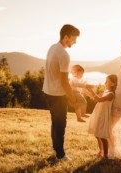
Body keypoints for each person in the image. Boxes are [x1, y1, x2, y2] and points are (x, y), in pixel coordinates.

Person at [42, 24, 80, 161]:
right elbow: (64, 82)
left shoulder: (53, 47)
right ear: (66, 37)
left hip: (48, 91)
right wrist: (73, 99)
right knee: (60, 125)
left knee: (55, 122)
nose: (75, 42)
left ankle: (55, 150)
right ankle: (60, 154)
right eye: (74, 39)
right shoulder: (64, 55)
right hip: (57, 95)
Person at [87, 74, 118, 158]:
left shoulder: (111, 94)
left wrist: (91, 91)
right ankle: (101, 151)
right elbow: (96, 98)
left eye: (107, 81)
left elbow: (99, 99)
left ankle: (105, 155)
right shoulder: (106, 91)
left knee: (103, 136)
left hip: (104, 116)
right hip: (99, 114)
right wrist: (87, 92)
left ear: (113, 84)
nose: (105, 83)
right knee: (97, 134)